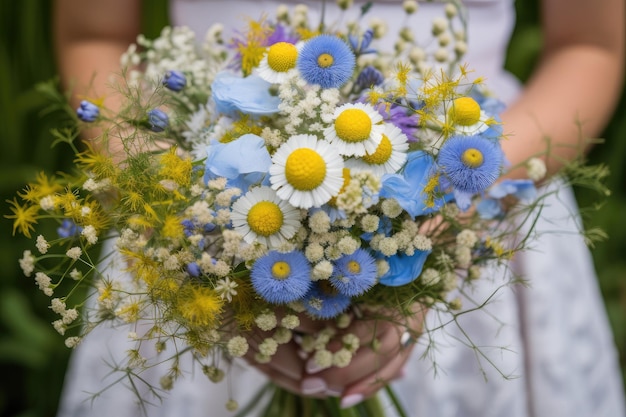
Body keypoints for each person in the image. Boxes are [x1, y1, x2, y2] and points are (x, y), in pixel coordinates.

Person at [53, 0, 626, 416]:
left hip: (478, 195)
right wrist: (200, 243)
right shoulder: (203, 226)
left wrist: (444, 221)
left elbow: (590, 45)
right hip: (206, 199)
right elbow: (92, 33)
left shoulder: (456, 208)